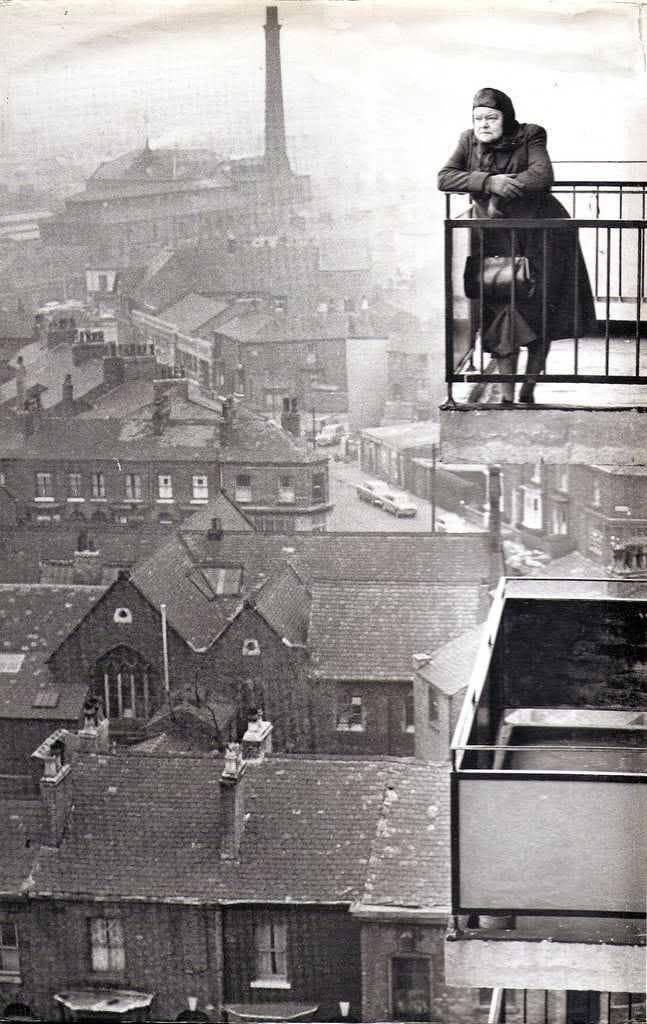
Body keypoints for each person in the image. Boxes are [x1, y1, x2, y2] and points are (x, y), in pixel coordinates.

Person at [438, 87, 596, 403]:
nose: (483, 124)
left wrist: (499, 190)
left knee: (540, 312)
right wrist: (487, 181)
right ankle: (508, 395)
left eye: (491, 118)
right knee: (500, 312)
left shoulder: (530, 135)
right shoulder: (468, 140)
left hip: (541, 238)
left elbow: (541, 175)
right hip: (496, 240)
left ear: (506, 118)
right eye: (478, 118)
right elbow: (445, 177)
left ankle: (528, 388)